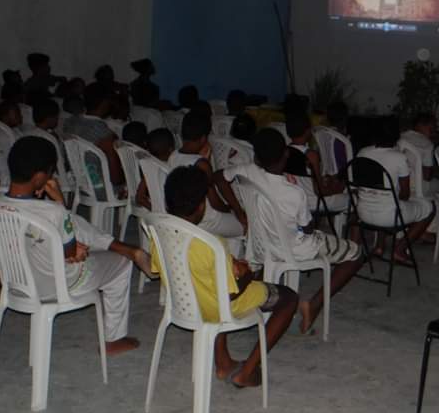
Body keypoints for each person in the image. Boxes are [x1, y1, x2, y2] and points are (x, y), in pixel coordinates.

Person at [0, 137, 150, 355]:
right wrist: (60, 203)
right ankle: (113, 340)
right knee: (121, 265)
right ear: (41, 176)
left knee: (75, 228)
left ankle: (112, 245)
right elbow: (70, 253)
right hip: (56, 284)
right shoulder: (53, 211)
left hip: (16, 282)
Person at [151, 166, 297, 388]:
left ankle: (223, 362)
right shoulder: (212, 243)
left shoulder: (158, 232)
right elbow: (231, 293)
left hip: (186, 303)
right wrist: (248, 274)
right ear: (202, 206)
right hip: (220, 304)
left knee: (211, 285)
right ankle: (247, 370)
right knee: (288, 297)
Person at [217, 128, 363, 334]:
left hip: (260, 246)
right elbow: (308, 228)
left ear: (256, 156)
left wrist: (239, 210)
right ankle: (314, 305)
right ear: (286, 154)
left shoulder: (246, 170)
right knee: (355, 253)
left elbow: (219, 177)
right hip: (294, 249)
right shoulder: (293, 192)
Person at [354, 116, 433, 262]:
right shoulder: (399, 158)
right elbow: (405, 194)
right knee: (429, 208)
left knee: (386, 199)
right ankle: (400, 249)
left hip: (362, 212)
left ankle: (379, 246)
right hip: (389, 216)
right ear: (396, 136)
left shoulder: (362, 152)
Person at [168, 111, 245, 238]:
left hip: (184, 216)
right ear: (204, 138)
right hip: (207, 220)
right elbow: (215, 203)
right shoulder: (201, 164)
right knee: (246, 225)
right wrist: (230, 209)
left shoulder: (173, 155)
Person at [63, 82, 124, 193]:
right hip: (100, 188)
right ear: (105, 103)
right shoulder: (103, 132)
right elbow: (116, 179)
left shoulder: (70, 122)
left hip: (77, 184)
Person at [284, 111, 347, 213]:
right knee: (352, 200)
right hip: (313, 202)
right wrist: (338, 189)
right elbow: (319, 191)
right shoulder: (311, 155)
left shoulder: (285, 151)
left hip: (294, 200)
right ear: (308, 131)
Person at [399, 112, 438, 188]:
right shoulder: (427, 144)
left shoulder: (399, 136)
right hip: (415, 187)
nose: (434, 130)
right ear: (420, 125)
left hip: (396, 185)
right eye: (432, 127)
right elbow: (427, 177)